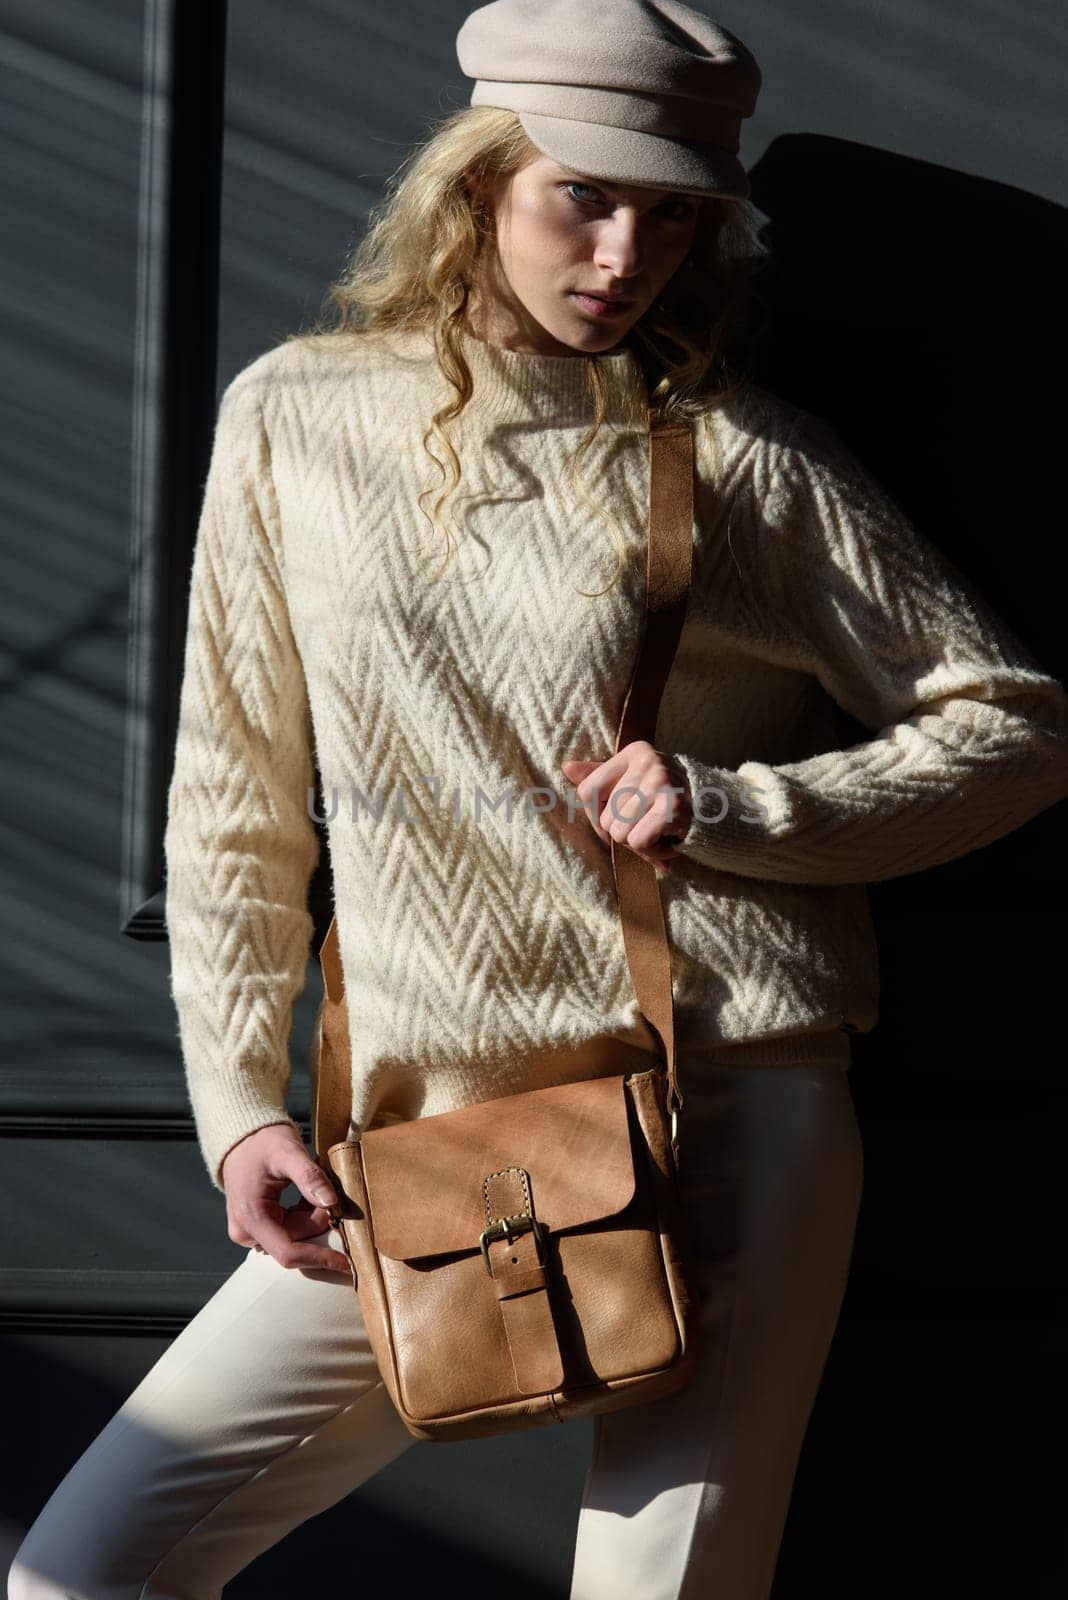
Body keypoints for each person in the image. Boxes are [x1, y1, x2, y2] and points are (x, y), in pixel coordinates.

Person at [10, 2, 1068, 1595]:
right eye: (586, 193)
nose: (624, 250)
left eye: (672, 212)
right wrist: (239, 1108)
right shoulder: (296, 418)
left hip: (724, 1093)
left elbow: (1013, 727)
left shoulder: (738, 459)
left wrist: (733, 806)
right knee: (85, 1566)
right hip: (431, 1132)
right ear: (480, 183)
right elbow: (237, 800)